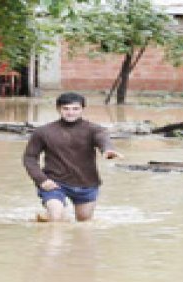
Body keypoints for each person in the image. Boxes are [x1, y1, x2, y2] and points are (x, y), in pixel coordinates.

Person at [23, 92, 123, 222]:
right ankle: (52, 225)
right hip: (54, 182)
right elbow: (29, 158)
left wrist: (108, 151)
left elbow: (103, 140)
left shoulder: (95, 129)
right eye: (66, 108)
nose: (70, 113)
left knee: (84, 222)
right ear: (58, 109)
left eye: (75, 109)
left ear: (82, 109)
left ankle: (44, 218)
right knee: (56, 216)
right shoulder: (43, 132)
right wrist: (41, 180)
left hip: (86, 183)